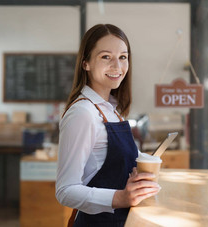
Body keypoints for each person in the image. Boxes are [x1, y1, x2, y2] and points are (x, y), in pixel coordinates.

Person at [56, 24, 161, 227]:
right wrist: (121, 197)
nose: (117, 66)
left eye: (123, 57)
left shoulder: (113, 110)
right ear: (85, 63)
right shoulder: (83, 113)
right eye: (106, 57)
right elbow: (65, 191)